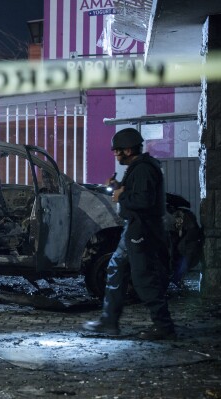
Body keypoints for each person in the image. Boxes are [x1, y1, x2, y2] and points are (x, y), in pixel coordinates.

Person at [83, 128, 175, 340]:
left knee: (143, 278)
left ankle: (164, 326)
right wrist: (118, 187)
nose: (115, 155)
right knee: (115, 269)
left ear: (128, 149)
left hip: (142, 229)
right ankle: (109, 322)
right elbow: (135, 192)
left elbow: (143, 201)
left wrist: (119, 197)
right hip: (133, 229)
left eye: (117, 151)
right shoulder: (138, 167)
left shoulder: (143, 169)